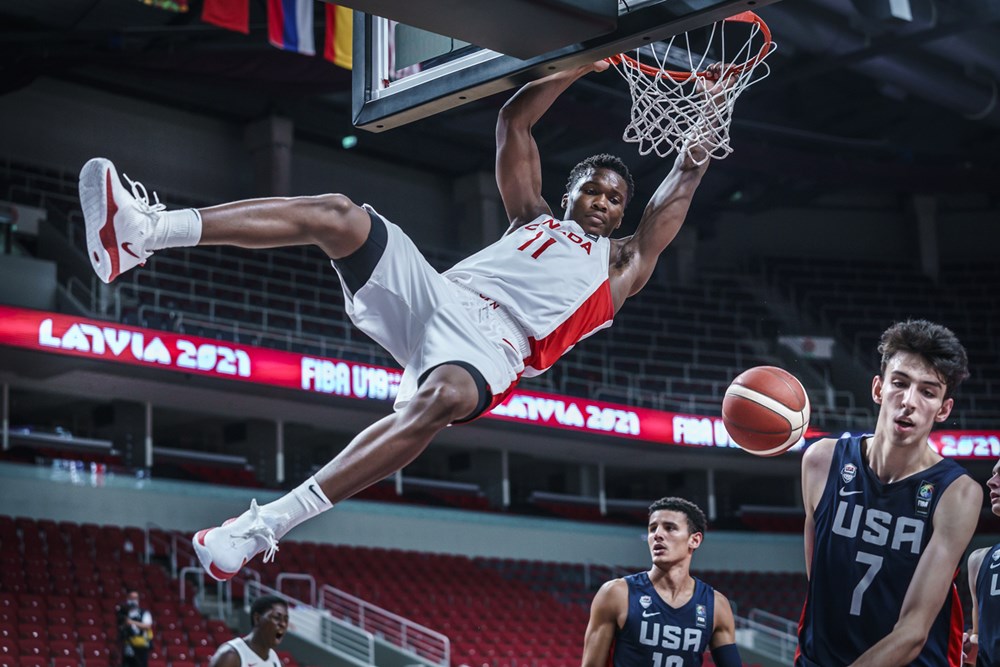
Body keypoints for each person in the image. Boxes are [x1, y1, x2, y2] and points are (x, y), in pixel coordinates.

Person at [78, 61, 732, 581]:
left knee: (442, 396)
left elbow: (686, 172)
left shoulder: (625, 264)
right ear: (570, 193)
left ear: (622, 214)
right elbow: (514, 121)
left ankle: (259, 527)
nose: (604, 200)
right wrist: (587, 59)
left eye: (615, 197)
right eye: (593, 187)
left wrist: (714, 103)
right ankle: (144, 233)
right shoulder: (532, 216)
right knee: (338, 213)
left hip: (497, 349)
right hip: (437, 298)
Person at [796, 319, 981, 666]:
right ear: (878, 389)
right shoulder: (821, 461)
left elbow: (913, 632)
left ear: (943, 409)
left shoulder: (957, 493)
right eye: (900, 383)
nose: (908, 401)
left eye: (927, 392)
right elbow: (820, 583)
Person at [580, 497, 742, 667]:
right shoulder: (616, 594)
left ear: (694, 540)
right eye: (652, 528)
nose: (657, 535)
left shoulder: (716, 606)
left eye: (670, 528)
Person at [962, 457, 1000, 666]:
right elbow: (979, 637)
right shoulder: (978, 560)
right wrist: (967, 646)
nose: (991, 481)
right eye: (994, 473)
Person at [209, 595, 288, 667]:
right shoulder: (231, 656)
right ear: (257, 619)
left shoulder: (277, 662)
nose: (283, 624)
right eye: (277, 618)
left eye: (286, 620)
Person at [117, 590, 154, 667]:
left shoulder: (144, 613)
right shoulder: (124, 613)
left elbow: (147, 626)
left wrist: (131, 622)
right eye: (131, 598)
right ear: (127, 598)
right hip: (128, 646)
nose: (133, 600)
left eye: (135, 598)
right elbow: (120, 627)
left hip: (141, 647)